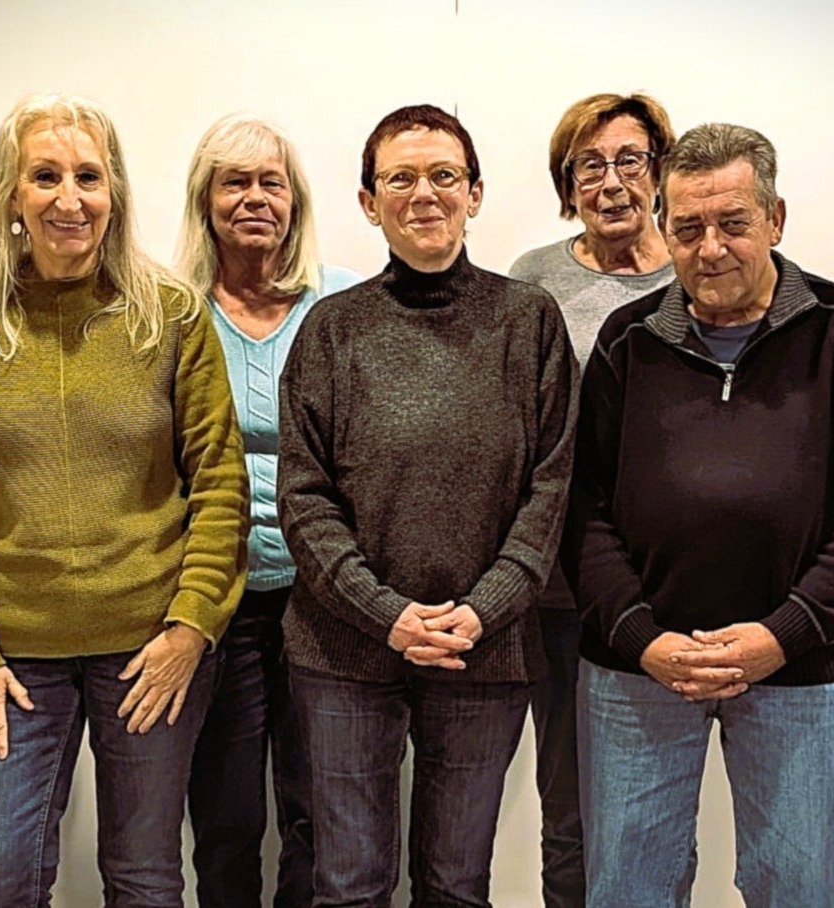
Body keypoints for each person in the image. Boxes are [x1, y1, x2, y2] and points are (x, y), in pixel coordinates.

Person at [0, 92, 247, 907]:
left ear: (116, 192)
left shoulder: (168, 316)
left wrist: (191, 625)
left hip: (148, 651)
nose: (70, 199)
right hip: (12, 658)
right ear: (12, 196)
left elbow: (219, 479)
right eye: (46, 177)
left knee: (143, 873)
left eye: (89, 177)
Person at [564, 122, 834, 907]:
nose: (709, 247)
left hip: (801, 672)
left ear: (776, 219)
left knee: (795, 888)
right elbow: (584, 510)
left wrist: (781, 635)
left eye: (733, 224)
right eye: (686, 228)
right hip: (639, 671)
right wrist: (642, 639)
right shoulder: (627, 340)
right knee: (628, 891)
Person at [278, 104, 577, 907]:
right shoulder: (331, 330)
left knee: (455, 884)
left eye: (444, 175)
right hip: (343, 655)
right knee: (347, 884)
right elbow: (303, 499)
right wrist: (386, 614)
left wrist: (483, 610)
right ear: (369, 203)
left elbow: (550, 490)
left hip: (486, 651)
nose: (424, 194)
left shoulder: (529, 321)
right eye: (399, 178)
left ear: (475, 193)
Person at [177, 112, 359, 908]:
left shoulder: (344, 304)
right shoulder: (169, 311)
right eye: (234, 181)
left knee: (321, 812)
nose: (254, 198)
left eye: (270, 182)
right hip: (211, 601)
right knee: (224, 817)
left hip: (325, 600)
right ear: (206, 200)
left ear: (296, 201)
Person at [507, 91, 677, 908]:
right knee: (569, 803)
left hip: (674, 587)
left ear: (661, 172)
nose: (611, 183)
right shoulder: (534, 281)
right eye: (589, 165)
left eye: (630, 161)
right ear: (566, 182)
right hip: (563, 591)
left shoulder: (699, 268)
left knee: (656, 809)